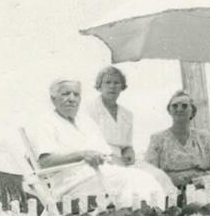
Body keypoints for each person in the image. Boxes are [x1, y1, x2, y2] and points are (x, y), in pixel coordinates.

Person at [27, 78, 173, 207]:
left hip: (101, 175)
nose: (72, 99)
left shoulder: (85, 122)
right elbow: (45, 162)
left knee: (146, 176)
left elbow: (108, 155)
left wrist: (130, 164)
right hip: (72, 184)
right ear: (53, 98)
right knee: (131, 180)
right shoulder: (45, 123)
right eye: (65, 94)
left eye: (76, 95)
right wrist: (82, 155)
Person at [145, 90, 210, 188]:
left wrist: (209, 182)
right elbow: (149, 171)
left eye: (184, 106)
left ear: (192, 111)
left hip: (204, 191)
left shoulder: (203, 137)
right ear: (169, 110)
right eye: (174, 106)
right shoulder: (158, 139)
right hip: (171, 192)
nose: (179, 109)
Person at [85, 66, 135, 164]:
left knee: (156, 175)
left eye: (116, 83)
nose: (112, 86)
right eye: (107, 82)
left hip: (122, 160)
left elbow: (127, 145)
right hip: (99, 159)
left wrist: (129, 151)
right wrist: (112, 158)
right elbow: (89, 142)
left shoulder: (127, 114)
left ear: (122, 87)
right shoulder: (89, 109)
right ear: (99, 86)